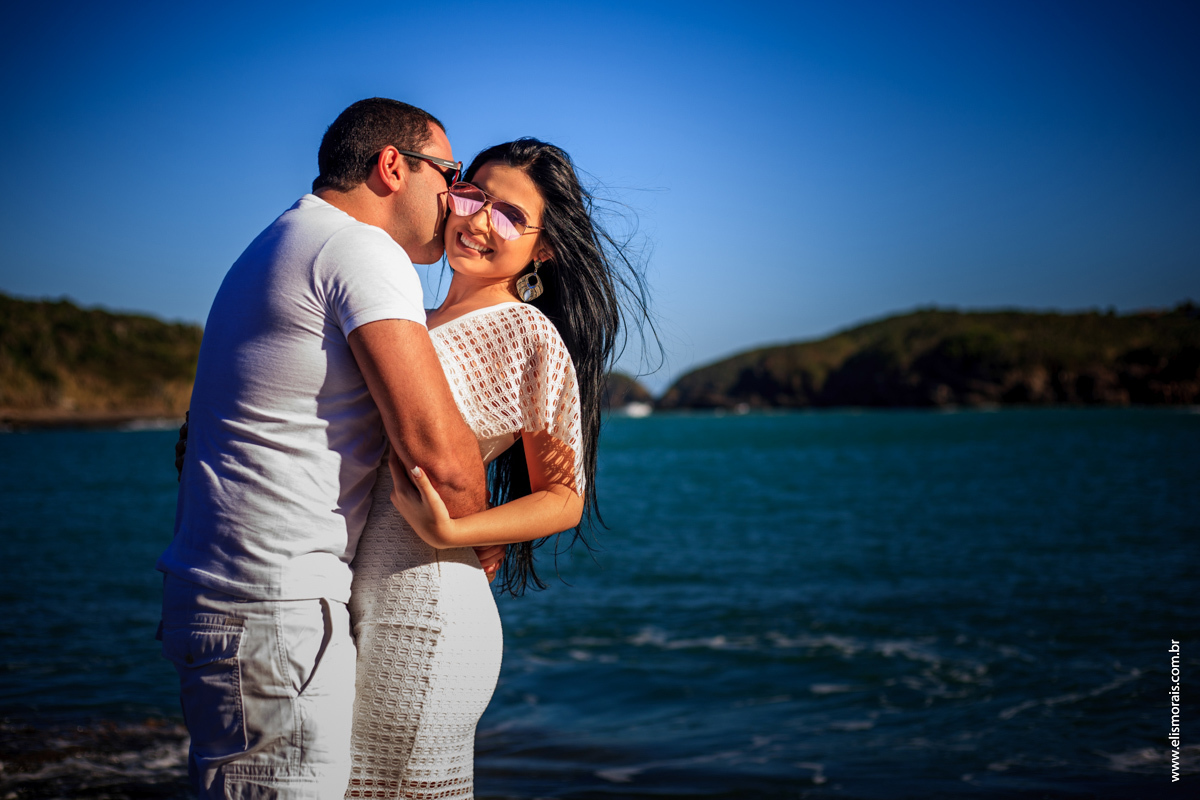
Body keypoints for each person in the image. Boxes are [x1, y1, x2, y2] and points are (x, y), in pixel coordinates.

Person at [157, 97, 498, 800]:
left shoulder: (276, 243)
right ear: (392, 167)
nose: (458, 200)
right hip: (271, 608)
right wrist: (480, 539)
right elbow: (437, 450)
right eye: (451, 174)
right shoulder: (360, 247)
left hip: (231, 602)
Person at [345, 139, 652, 799]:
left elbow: (565, 497)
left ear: (543, 249)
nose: (480, 221)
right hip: (351, 604)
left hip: (426, 610)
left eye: (511, 215)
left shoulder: (526, 335)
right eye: (473, 196)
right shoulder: (409, 318)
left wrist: (458, 532)